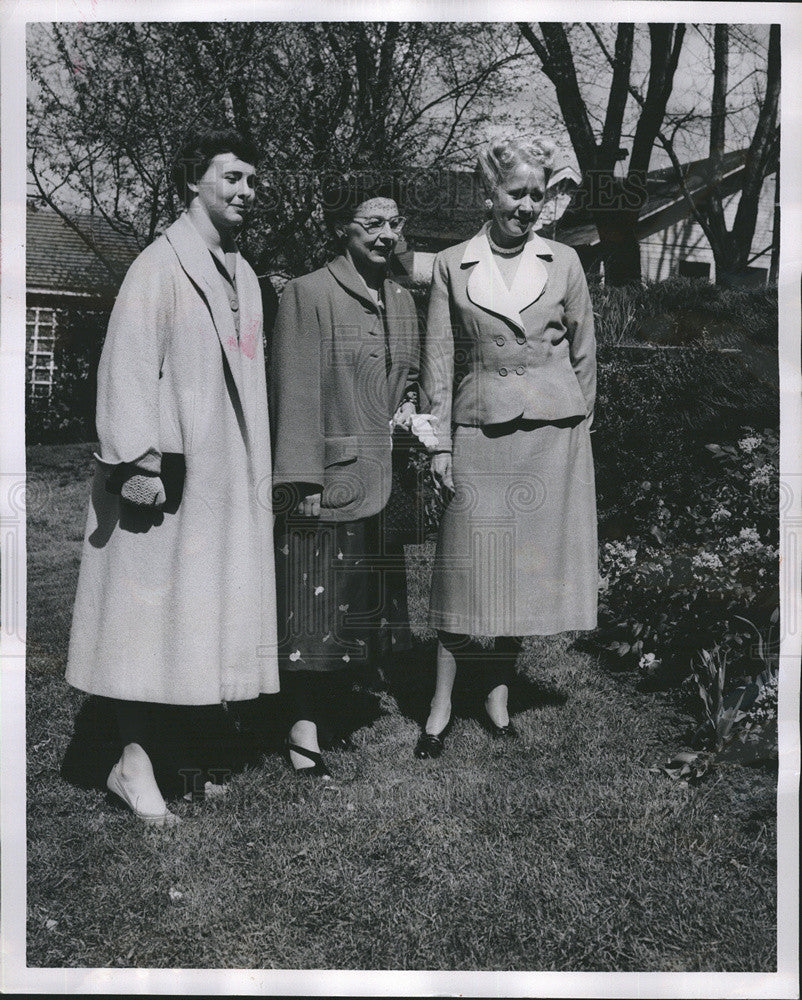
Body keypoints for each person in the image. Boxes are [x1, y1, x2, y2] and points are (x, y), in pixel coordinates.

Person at [65, 128, 279, 823]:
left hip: (223, 480)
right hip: (164, 480)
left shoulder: (241, 273)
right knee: (143, 621)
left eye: (252, 180)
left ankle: (179, 754)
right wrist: (138, 465)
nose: (247, 191)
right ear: (193, 181)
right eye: (233, 177)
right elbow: (125, 369)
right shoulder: (158, 266)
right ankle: (131, 765)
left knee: (198, 614)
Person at [415, 136, 597, 759]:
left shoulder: (565, 262)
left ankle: (497, 695)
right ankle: (439, 705)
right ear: (488, 195)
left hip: (551, 433)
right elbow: (438, 359)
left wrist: (578, 429)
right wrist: (439, 445)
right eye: (517, 194)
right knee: (464, 567)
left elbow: (584, 353)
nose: (527, 207)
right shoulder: (449, 263)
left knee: (519, 570)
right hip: (480, 430)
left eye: (537, 197)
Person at [270, 173, 419, 777]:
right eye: (373, 223)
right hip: (328, 475)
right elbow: (295, 392)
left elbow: (402, 380)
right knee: (313, 606)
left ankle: (338, 708)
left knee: (361, 603)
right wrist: (300, 481)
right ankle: (301, 729)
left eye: (395, 223)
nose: (388, 235)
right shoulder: (307, 293)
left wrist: (407, 407)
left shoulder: (405, 299)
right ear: (342, 228)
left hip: (383, 477)